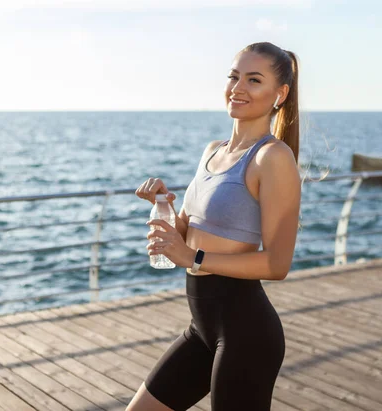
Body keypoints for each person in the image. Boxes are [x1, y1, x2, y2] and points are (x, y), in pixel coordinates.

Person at [129, 42, 302, 411]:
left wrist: (192, 255)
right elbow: (194, 230)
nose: (238, 87)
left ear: (280, 93)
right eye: (234, 76)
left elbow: (277, 264)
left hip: (247, 335)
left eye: (254, 80)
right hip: (202, 329)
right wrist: (164, 207)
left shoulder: (273, 158)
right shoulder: (213, 150)